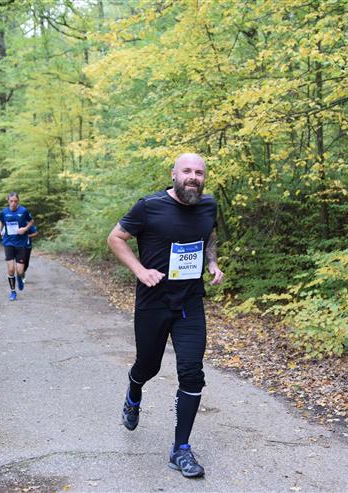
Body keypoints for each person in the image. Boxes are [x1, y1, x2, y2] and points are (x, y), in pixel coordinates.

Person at [107, 153, 224, 478]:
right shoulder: (149, 206)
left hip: (190, 303)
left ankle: (180, 449)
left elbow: (210, 235)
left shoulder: (208, 205)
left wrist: (212, 263)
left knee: (192, 372)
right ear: (174, 174)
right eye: (187, 171)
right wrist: (140, 270)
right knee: (148, 366)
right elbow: (115, 238)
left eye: (199, 172)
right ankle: (134, 392)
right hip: (153, 302)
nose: (193, 177)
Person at [0, 192, 34, 301]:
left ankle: (20, 276)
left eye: (15, 201)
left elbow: (31, 221)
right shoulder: (4, 212)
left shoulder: (23, 211)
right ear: (8, 201)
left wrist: (25, 229)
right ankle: (13, 292)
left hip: (21, 243)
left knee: (19, 271)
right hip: (8, 242)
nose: (13, 203)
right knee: (11, 269)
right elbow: (2, 222)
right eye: (11, 201)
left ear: (18, 201)